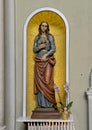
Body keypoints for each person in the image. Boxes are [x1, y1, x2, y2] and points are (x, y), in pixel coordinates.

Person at [33, 21, 56, 108]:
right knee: (39, 82)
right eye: (42, 26)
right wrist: (40, 47)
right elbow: (34, 49)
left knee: (47, 81)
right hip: (39, 61)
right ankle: (41, 104)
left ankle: (50, 104)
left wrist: (46, 55)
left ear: (47, 27)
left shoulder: (50, 37)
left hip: (47, 60)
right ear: (40, 27)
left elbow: (53, 49)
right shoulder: (37, 37)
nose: (44, 27)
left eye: (46, 26)